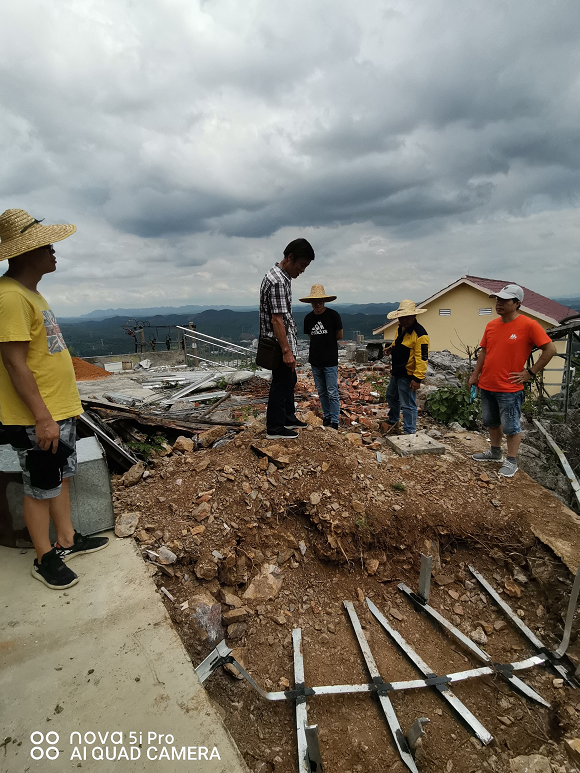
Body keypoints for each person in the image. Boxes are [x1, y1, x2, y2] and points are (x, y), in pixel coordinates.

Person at [0, 209, 109, 590]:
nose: (53, 250)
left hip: (56, 410)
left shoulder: (30, 293)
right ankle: (43, 557)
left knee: (59, 477)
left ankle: (66, 539)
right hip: (39, 416)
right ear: (25, 252)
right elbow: (14, 363)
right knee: (39, 486)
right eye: (46, 245)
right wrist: (42, 417)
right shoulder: (10, 297)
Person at [468, 284, 556, 477]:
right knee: (491, 421)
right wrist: (475, 375)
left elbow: (550, 349)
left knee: (511, 426)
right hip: (487, 383)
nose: (498, 303)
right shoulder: (491, 325)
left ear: (517, 304)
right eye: (498, 300)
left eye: (504, 300)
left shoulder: (529, 325)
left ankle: (511, 461)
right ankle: (495, 452)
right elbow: (484, 352)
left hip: (509, 387)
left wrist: (530, 372)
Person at [260, 238, 315, 439]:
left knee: (289, 379)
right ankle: (275, 428)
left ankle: (288, 418)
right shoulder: (277, 281)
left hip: (283, 342)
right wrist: (286, 351)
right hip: (279, 344)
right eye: (301, 265)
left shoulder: (281, 277)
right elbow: (277, 320)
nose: (302, 270)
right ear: (290, 258)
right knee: (281, 383)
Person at [300, 285, 343, 429]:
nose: (317, 304)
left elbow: (339, 335)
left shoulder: (333, 315)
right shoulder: (308, 318)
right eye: (314, 301)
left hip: (330, 360)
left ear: (324, 301)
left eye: (320, 301)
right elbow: (311, 337)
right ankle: (327, 417)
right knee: (322, 392)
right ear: (311, 303)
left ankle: (335, 421)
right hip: (315, 360)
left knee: (332, 392)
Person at [383, 300, 429, 435]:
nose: (403, 320)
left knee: (408, 403)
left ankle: (409, 431)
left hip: (408, 374)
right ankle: (393, 419)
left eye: (406, 317)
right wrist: (392, 348)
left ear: (414, 316)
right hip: (397, 371)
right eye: (401, 317)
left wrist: (417, 378)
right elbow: (398, 342)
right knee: (391, 395)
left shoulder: (420, 334)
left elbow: (422, 358)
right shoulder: (400, 329)